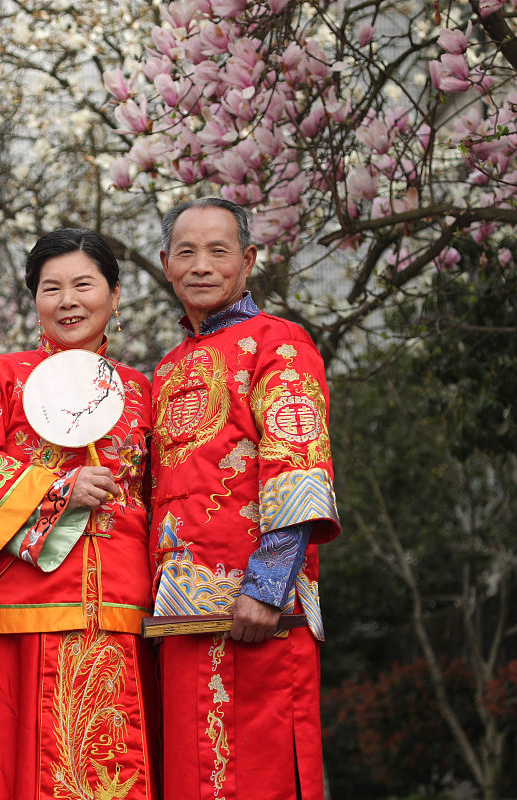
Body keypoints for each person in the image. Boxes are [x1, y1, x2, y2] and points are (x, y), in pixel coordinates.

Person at [0, 228, 158, 800]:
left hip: (122, 609)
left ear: (113, 295)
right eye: (50, 288)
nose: (68, 301)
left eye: (84, 284)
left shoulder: (142, 390)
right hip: (24, 609)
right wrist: (59, 488)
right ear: (34, 299)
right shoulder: (5, 378)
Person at [148, 198, 340, 800]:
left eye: (219, 251)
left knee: (263, 780)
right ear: (165, 265)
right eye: (186, 252)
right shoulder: (166, 368)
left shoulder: (279, 344)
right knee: (192, 781)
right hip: (179, 618)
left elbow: (299, 462)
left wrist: (265, 588)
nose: (201, 265)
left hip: (259, 617)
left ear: (248, 260)